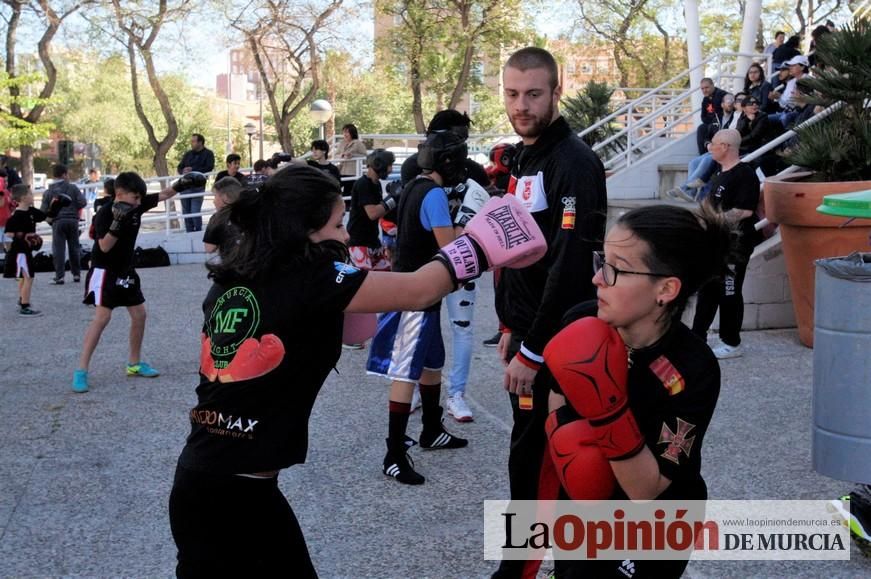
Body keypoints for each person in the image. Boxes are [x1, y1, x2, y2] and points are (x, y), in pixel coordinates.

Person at [168, 163, 545, 575]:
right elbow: (419, 290)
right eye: (336, 225)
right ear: (305, 229)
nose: (346, 235)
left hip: (205, 479)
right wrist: (479, 244)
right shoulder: (309, 274)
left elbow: (338, 320)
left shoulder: (235, 275)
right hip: (234, 494)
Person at [536, 201, 731, 578]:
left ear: (666, 289)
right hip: (584, 506)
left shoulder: (693, 368)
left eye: (617, 270)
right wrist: (568, 448)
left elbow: (648, 488)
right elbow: (556, 397)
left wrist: (607, 409)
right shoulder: (582, 322)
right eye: (601, 261)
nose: (598, 279)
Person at [491, 46, 607, 579]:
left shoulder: (575, 164)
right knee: (527, 457)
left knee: (544, 460)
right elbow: (517, 254)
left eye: (534, 94)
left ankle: (520, 571)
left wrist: (533, 352)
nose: (522, 105)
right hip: (526, 337)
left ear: (557, 92)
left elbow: (570, 267)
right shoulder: (521, 156)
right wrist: (509, 327)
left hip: (556, 347)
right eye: (513, 94)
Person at [366, 132, 477, 483]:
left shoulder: (415, 186)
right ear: (449, 162)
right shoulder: (434, 196)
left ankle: (431, 429)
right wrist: (472, 222)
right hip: (415, 293)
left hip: (420, 291)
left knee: (432, 364)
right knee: (405, 374)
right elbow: (450, 248)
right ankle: (394, 453)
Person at [399, 109, 491, 422]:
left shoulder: (474, 171)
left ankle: (456, 395)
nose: (463, 144)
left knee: (461, 328)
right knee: (422, 335)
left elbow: (486, 211)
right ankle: (415, 391)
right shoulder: (416, 171)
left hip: (461, 264)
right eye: (458, 136)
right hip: (429, 265)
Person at [72, 171, 200, 393]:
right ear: (119, 194)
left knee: (139, 314)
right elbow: (104, 246)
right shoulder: (104, 213)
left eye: (140, 198)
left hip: (125, 269)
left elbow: (163, 195)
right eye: (135, 198)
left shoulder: (136, 203)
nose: (139, 202)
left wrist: (182, 185)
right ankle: (81, 370)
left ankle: (134, 363)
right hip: (105, 271)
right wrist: (117, 224)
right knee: (102, 318)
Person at [691, 129, 762, 359]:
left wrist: (713, 219)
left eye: (713, 144)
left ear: (726, 147)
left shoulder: (745, 174)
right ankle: (697, 337)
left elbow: (744, 211)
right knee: (708, 289)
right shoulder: (720, 174)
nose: (709, 148)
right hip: (717, 243)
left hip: (736, 244)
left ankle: (731, 342)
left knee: (729, 290)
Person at [346, 149, 396, 277]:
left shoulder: (376, 184)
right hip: (359, 243)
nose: (391, 169)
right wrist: (393, 199)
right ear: (380, 165)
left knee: (385, 277)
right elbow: (372, 213)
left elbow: (380, 212)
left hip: (372, 241)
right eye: (389, 164)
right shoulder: (363, 184)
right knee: (364, 282)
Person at [3, 184, 46, 316]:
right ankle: (24, 306)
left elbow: (46, 216)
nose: (32, 196)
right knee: (28, 277)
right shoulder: (15, 217)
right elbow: (8, 237)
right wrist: (10, 251)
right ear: (23, 198)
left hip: (26, 251)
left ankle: (22, 299)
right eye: (30, 194)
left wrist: (57, 205)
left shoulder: (31, 212)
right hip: (19, 252)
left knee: (24, 276)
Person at [40, 164, 87, 284]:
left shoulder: (49, 191)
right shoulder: (73, 188)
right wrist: (73, 208)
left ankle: (60, 276)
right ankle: (76, 274)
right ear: (65, 174)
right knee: (74, 247)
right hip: (72, 220)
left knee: (58, 249)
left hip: (57, 221)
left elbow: (43, 211)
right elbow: (83, 202)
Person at [177, 133, 215, 232]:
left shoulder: (208, 154)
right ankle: (189, 232)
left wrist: (193, 169)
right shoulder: (188, 154)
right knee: (186, 212)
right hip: (185, 185)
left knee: (195, 211)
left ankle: (198, 231)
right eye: (191, 141)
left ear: (200, 142)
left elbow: (209, 167)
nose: (191, 143)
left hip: (198, 186)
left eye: (193, 141)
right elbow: (179, 167)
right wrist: (183, 171)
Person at [203, 176, 243, 255]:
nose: (213, 201)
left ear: (225, 197)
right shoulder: (252, 211)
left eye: (215, 196)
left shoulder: (218, 218)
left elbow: (209, 248)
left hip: (231, 263)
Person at [335, 123, 367, 198]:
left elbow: (365, 156)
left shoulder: (358, 143)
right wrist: (342, 155)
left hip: (353, 171)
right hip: (342, 170)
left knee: (349, 191)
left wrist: (353, 155)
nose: (345, 134)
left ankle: (348, 207)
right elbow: (336, 155)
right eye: (344, 132)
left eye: (347, 132)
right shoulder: (341, 143)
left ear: (352, 133)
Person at [697, 78, 728, 154]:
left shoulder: (722, 95)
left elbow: (725, 113)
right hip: (711, 123)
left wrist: (714, 121)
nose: (704, 90)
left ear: (713, 85)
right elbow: (703, 117)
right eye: (702, 88)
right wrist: (711, 122)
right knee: (701, 128)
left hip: (722, 123)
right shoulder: (705, 99)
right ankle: (702, 155)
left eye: (706, 87)